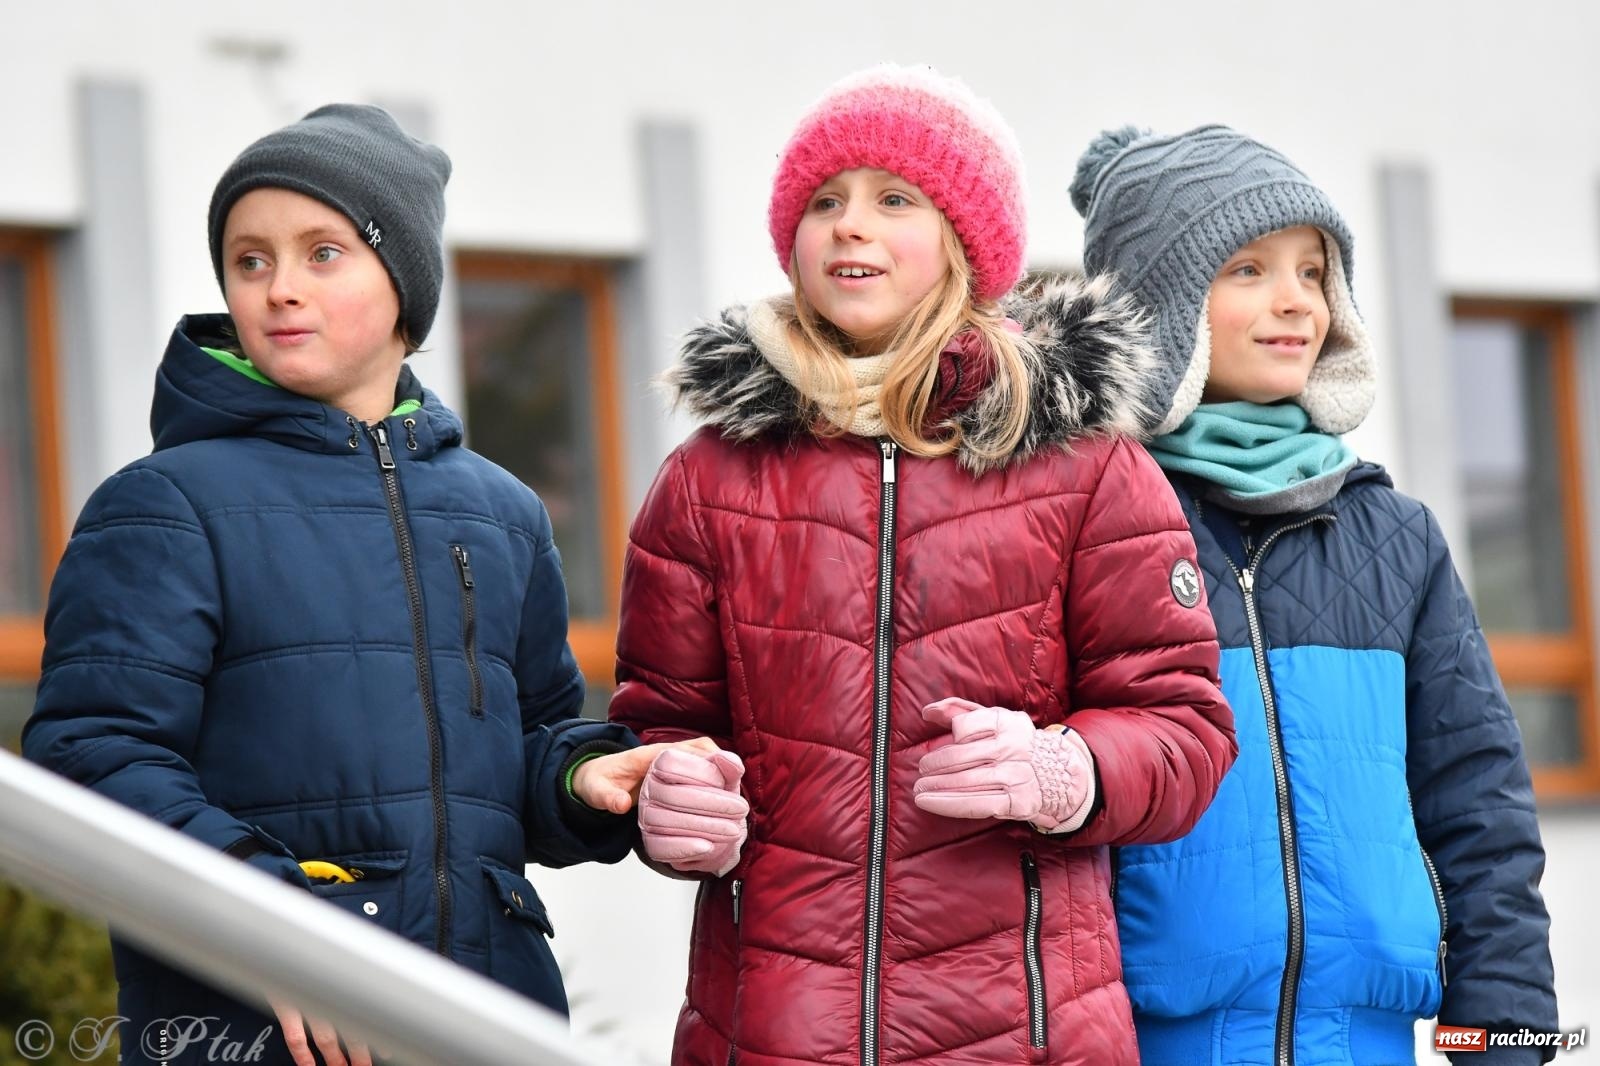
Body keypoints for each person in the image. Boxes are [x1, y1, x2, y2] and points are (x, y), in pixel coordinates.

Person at [23, 103, 682, 1066]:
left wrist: (580, 780)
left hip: (483, 1013)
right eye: (250, 260)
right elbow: (93, 753)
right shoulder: (165, 504)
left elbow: (524, 750)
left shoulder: (504, 514)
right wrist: (269, 922)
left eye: (322, 253)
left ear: (405, 287)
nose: (279, 288)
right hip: (261, 1023)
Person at [607, 66, 1237, 1065]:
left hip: (1026, 1038)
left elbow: (1184, 729)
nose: (849, 226)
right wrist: (671, 800)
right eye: (824, 202)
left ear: (964, 243)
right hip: (767, 1036)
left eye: (893, 199)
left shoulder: (1085, 467)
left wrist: (1064, 769)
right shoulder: (707, 478)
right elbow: (660, 725)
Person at [1070, 124, 1560, 1065]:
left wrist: (1502, 1044)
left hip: (1368, 1045)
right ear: (1162, 308)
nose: (1297, 299)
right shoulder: (1092, 527)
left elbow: (1480, 811)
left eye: (1312, 270)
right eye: (1248, 269)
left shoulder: (1396, 538)